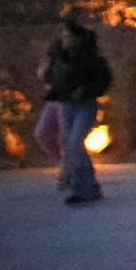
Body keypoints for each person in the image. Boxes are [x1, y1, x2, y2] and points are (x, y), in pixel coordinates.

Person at [52, 19, 112, 205]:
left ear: (77, 39)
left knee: (75, 144)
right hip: (67, 104)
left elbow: (102, 80)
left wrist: (85, 90)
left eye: (68, 36)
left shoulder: (90, 59)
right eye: (64, 36)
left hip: (84, 104)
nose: (65, 39)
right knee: (71, 146)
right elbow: (55, 78)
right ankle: (87, 187)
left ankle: (84, 188)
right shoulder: (61, 58)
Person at [33, 37, 68, 187]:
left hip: (67, 101)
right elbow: (42, 76)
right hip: (53, 101)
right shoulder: (49, 62)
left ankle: (67, 172)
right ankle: (66, 161)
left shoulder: (69, 61)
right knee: (42, 133)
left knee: (64, 137)